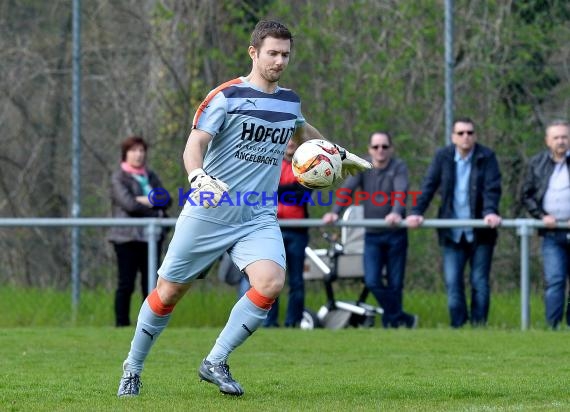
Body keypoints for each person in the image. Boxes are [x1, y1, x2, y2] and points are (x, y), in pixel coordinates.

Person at [116, 20, 372, 398]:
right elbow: (195, 143)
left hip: (257, 215)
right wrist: (197, 176)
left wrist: (338, 153)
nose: (279, 61)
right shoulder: (225, 96)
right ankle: (132, 368)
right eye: (272, 53)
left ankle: (215, 361)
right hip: (210, 208)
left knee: (270, 282)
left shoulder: (288, 101)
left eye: (285, 54)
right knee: (168, 293)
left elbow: (303, 131)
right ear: (254, 53)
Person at [406, 117, 502, 328]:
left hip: (481, 233)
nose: (465, 137)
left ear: (475, 135)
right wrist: (417, 212)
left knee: (479, 282)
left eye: (469, 133)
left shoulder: (487, 156)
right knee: (453, 283)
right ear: (453, 137)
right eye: (461, 133)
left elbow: (492, 188)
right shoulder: (443, 156)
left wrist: (490, 212)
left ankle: (479, 327)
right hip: (452, 233)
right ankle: (458, 327)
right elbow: (428, 186)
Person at [322, 131, 418, 329]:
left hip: (395, 234)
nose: (380, 150)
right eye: (376, 147)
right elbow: (347, 190)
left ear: (391, 148)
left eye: (384, 146)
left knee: (395, 283)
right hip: (373, 235)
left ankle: (391, 324)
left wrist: (396, 213)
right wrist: (335, 212)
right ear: (369, 149)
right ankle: (404, 319)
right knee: (373, 280)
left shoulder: (398, 167)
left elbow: (401, 192)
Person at [238, 138, 311, 328]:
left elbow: (302, 195)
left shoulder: (307, 166)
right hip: (272, 230)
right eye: (288, 139)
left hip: (297, 231)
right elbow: (261, 192)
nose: (291, 143)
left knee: (296, 281)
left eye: (295, 139)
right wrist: (287, 190)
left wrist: (277, 191)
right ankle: (269, 323)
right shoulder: (270, 165)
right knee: (271, 278)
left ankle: (292, 323)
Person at [108, 136, 171, 327]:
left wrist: (145, 200)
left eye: (142, 151)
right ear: (125, 154)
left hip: (151, 238)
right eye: (134, 150)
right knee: (126, 284)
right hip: (127, 238)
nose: (139, 154)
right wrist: (155, 207)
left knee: (151, 285)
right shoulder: (118, 177)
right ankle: (121, 324)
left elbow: (167, 199)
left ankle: (148, 325)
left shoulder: (150, 176)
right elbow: (129, 205)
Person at [521, 119, 570, 329]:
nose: (561, 141)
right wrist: (541, 215)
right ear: (547, 141)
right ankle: (553, 327)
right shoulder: (537, 163)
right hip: (551, 235)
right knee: (555, 280)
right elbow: (527, 195)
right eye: (556, 137)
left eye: (564, 137)